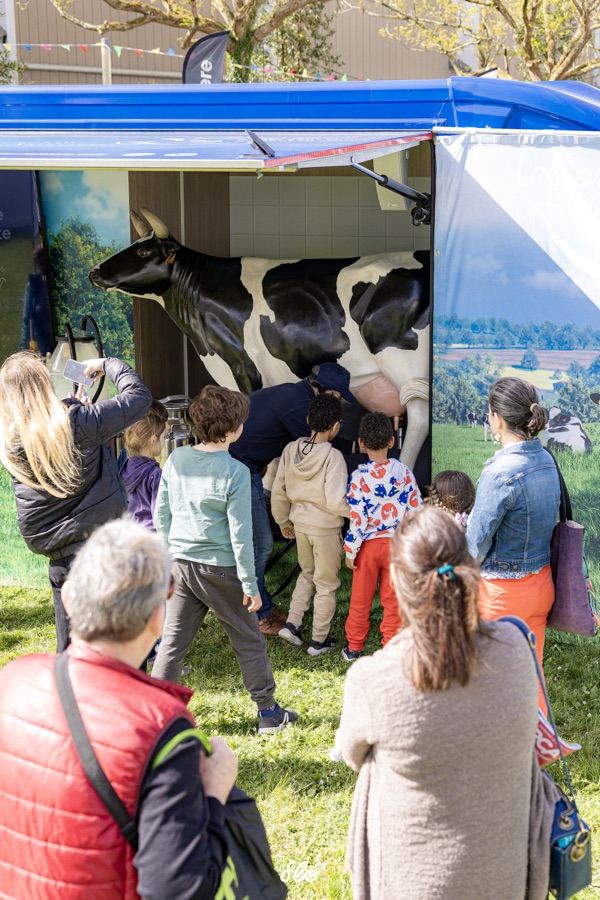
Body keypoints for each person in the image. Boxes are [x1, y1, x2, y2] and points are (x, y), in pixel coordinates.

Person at [0, 517, 237, 899]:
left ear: (68, 597)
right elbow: (181, 889)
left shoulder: (10, 681)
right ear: (158, 617)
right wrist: (214, 793)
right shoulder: (161, 727)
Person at [334, 506, 556, 900]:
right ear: (470, 567)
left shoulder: (374, 679)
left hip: (411, 881)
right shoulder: (518, 648)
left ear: (399, 582)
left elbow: (352, 755)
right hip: (505, 875)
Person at [151, 384, 298, 734]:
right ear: (233, 429)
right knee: (249, 640)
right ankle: (268, 713)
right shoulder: (235, 472)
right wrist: (251, 585)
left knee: (171, 642)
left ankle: (155, 716)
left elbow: (161, 515)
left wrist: (169, 558)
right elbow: (240, 535)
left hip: (181, 566)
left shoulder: (175, 459)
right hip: (223, 571)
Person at [0, 351, 152, 652]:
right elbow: (139, 397)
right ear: (44, 385)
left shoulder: (11, 444)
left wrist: (74, 412)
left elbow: (54, 438)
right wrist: (107, 365)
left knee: (71, 654)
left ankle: (72, 700)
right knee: (124, 651)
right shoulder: (80, 424)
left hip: (62, 561)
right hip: (103, 554)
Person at [230, 362, 355, 636]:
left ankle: (261, 606)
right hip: (240, 468)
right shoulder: (299, 407)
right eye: (338, 399)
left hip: (246, 467)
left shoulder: (293, 395)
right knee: (259, 545)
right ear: (327, 393)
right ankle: (259, 614)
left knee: (257, 545)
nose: (339, 405)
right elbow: (323, 446)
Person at [467, 377, 560, 696]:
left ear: (496, 417)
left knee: (491, 691)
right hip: (542, 586)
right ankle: (538, 744)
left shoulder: (498, 473)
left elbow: (474, 546)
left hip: (502, 596)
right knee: (530, 683)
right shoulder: (547, 459)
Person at [271, 394, 350, 656]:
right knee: (326, 583)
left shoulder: (290, 449)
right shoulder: (334, 457)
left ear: (308, 420)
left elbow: (278, 491)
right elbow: (337, 501)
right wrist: (360, 513)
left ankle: (292, 625)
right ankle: (319, 641)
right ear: (336, 426)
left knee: (307, 574)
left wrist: (283, 521)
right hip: (325, 529)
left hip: (300, 525)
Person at [342, 412, 422, 661]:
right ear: (391, 441)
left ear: (361, 443)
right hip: (397, 547)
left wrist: (350, 550)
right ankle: (390, 647)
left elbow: (357, 519)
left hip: (367, 547)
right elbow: (416, 511)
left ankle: (354, 647)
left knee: (360, 599)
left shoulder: (358, 476)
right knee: (392, 600)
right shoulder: (404, 472)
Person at [120, 399, 169, 530]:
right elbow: (160, 516)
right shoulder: (155, 475)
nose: (164, 442)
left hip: (131, 533)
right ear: (154, 439)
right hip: (150, 538)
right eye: (164, 437)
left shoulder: (126, 465)